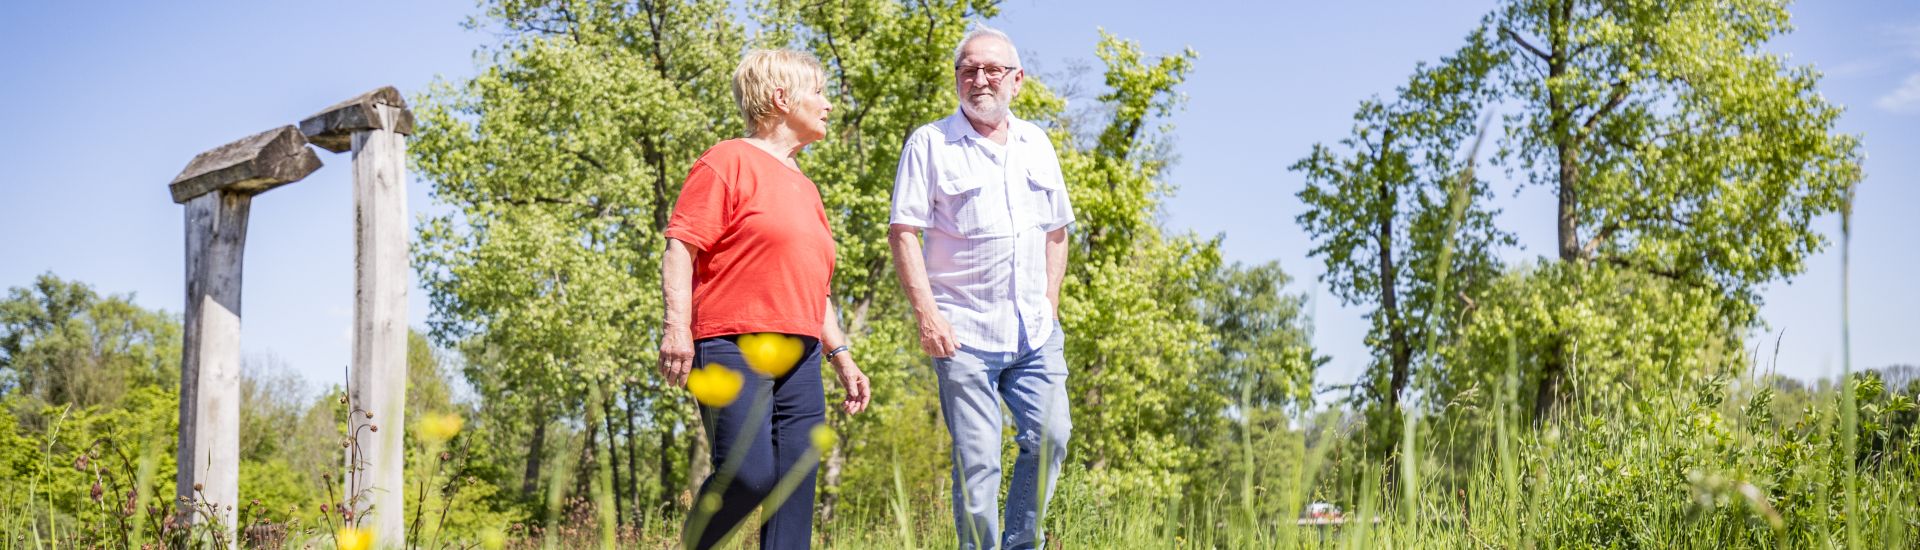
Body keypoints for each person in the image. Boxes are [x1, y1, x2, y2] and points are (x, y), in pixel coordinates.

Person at [659, 48, 872, 550]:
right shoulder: (727, 161)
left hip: (801, 356)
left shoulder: (806, 187)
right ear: (781, 98)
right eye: (817, 92)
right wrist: (676, 328)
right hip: (730, 342)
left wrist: (842, 356)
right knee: (748, 476)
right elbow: (680, 247)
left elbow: (815, 286)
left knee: (794, 491)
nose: (828, 104)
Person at [886, 24, 1074, 550]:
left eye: (993, 70)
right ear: (957, 79)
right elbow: (904, 232)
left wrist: (1050, 303)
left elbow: (1056, 231)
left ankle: (1020, 544)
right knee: (978, 462)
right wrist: (928, 315)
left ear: (1017, 80)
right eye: (968, 69)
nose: (980, 79)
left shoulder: (1037, 141)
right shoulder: (931, 143)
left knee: (1051, 436)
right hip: (962, 331)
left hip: (1035, 332)